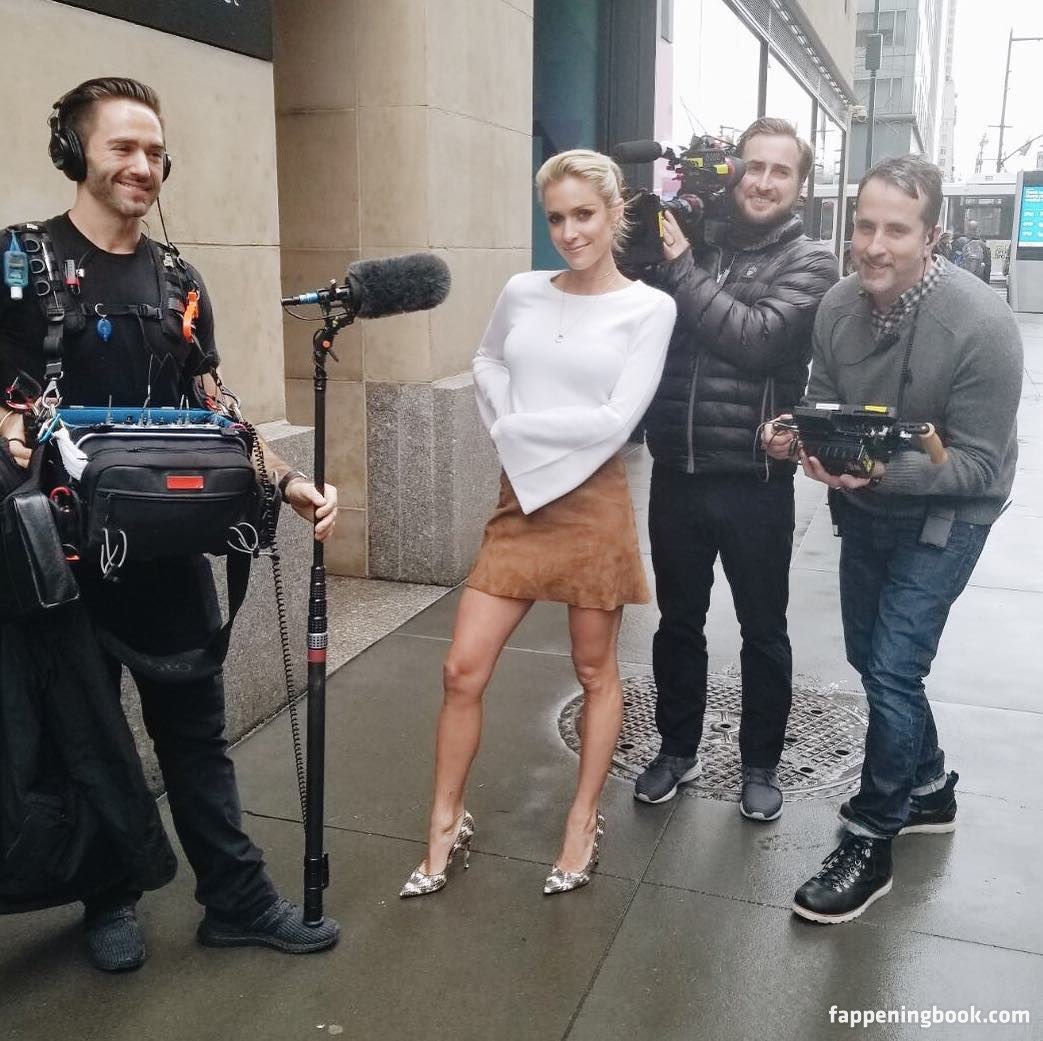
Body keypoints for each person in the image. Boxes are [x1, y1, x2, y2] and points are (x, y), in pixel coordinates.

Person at [0, 78, 340, 969]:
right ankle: (108, 895)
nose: (142, 165)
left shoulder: (178, 278)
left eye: (154, 151)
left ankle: (236, 899)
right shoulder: (24, 261)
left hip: (165, 549)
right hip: (60, 557)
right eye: (122, 147)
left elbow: (214, 401)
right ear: (75, 153)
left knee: (195, 734)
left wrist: (287, 481)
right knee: (86, 739)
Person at [400, 149, 675, 898]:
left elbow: (617, 419)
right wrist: (507, 424)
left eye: (584, 214)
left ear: (615, 213)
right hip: (519, 499)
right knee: (461, 668)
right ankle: (445, 820)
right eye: (556, 218)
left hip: (591, 502)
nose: (569, 231)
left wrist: (520, 431)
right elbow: (487, 361)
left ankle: (582, 819)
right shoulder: (522, 290)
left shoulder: (649, 308)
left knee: (594, 670)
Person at [763, 154, 1022, 924]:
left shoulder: (981, 325)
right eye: (864, 225)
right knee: (869, 657)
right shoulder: (837, 305)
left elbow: (977, 464)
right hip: (866, 504)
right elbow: (821, 399)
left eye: (896, 230)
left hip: (951, 511)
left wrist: (874, 470)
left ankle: (872, 835)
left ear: (930, 236)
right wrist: (801, 441)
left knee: (892, 668)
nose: (873, 245)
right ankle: (929, 786)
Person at [633, 117, 839, 819]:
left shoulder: (811, 262)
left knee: (763, 629)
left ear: (799, 185)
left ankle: (759, 765)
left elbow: (756, 340)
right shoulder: (697, 240)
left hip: (754, 480)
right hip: (676, 470)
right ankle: (675, 749)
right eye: (754, 166)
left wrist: (680, 265)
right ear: (734, 171)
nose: (763, 181)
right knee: (677, 623)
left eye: (780, 171)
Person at [962, 219, 992, 283]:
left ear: (968, 230)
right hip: (980, 280)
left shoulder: (963, 244)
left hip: (967, 280)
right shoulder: (983, 245)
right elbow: (988, 266)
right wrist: (986, 282)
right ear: (977, 230)